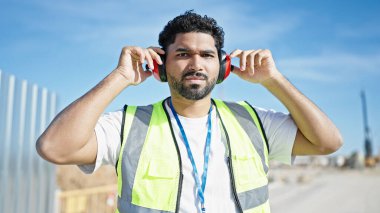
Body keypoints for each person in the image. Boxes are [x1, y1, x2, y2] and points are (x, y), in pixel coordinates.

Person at [36, 10, 343, 213]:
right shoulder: (128, 125)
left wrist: (274, 80)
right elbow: (54, 147)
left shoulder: (252, 121)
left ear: (221, 67)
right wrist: (119, 78)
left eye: (207, 55)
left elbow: (327, 142)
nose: (196, 64)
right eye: (182, 54)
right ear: (159, 65)